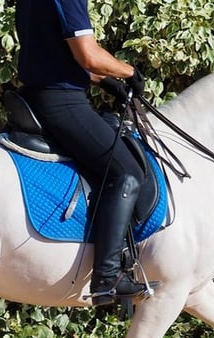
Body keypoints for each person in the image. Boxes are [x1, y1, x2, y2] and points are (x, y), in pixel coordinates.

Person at [14, 0, 157, 306]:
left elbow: (57, 54)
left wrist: (106, 81)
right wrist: (129, 72)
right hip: (62, 103)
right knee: (127, 173)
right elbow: (89, 56)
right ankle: (108, 277)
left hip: (37, 96)